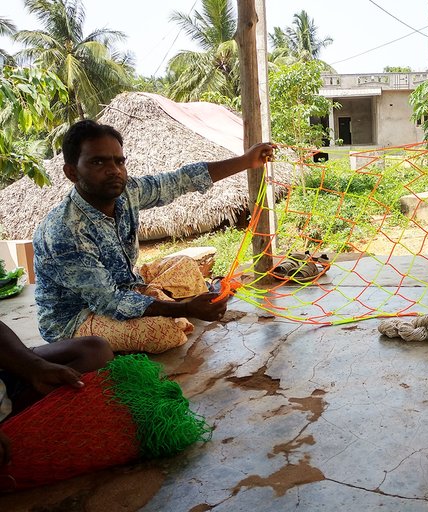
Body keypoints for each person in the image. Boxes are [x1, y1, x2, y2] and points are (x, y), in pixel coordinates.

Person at [34, 119, 276, 354]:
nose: (114, 171)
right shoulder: (64, 231)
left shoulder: (127, 192)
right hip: (78, 318)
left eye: (119, 161)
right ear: (72, 172)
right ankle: (166, 307)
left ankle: (160, 303)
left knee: (186, 266)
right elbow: (108, 301)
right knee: (163, 332)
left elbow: (178, 181)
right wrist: (185, 308)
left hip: (128, 285)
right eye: (98, 162)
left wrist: (245, 161)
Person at [0, 319, 113, 464]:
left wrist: (35, 367)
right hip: (66, 322)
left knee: (96, 352)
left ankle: (28, 405)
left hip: (7, 373)